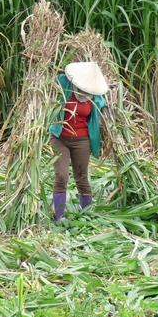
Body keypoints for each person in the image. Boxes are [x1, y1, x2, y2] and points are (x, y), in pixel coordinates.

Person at [49, 61, 109, 221]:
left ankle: (87, 214)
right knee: (61, 176)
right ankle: (59, 216)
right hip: (60, 138)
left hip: (82, 141)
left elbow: (103, 103)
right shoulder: (65, 84)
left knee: (81, 176)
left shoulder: (95, 95)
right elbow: (52, 79)